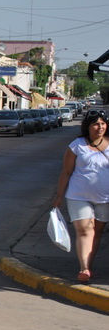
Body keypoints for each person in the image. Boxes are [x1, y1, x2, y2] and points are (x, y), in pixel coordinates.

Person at [53, 110, 109, 282]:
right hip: (78, 196)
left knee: (97, 231)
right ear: (88, 126)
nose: (100, 127)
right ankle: (83, 268)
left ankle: (88, 266)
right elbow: (67, 171)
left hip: (105, 198)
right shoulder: (77, 145)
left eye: (102, 123)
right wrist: (59, 196)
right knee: (85, 230)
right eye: (95, 124)